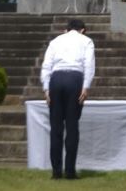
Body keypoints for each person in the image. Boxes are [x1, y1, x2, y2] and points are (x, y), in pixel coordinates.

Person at [40, 18, 95, 180]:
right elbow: (89, 65)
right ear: (83, 30)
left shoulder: (56, 41)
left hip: (56, 79)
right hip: (75, 79)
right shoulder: (87, 41)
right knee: (72, 126)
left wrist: (46, 88)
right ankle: (70, 171)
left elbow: (46, 65)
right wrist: (86, 86)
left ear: (66, 29)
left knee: (55, 127)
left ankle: (56, 171)